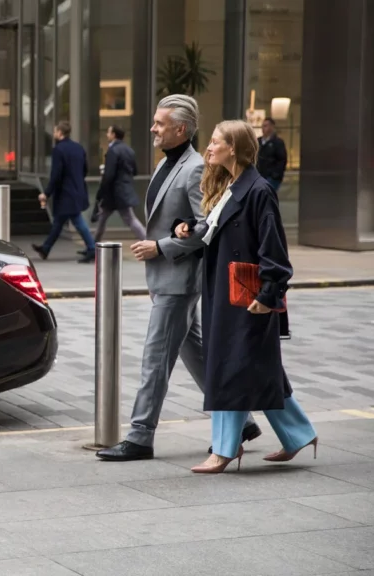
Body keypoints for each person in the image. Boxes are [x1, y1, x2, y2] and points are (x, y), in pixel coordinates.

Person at [96, 95, 260, 463]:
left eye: (159, 123)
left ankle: (139, 437)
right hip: (166, 278)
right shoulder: (165, 164)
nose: (153, 128)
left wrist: (162, 247)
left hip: (179, 280)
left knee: (154, 359)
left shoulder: (194, 169)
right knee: (199, 355)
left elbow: (207, 227)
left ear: (180, 129)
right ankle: (243, 421)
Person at [174, 119, 315, 473]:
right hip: (226, 293)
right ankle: (299, 434)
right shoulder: (232, 186)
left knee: (229, 368)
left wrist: (268, 294)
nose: (208, 148)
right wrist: (191, 226)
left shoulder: (258, 190)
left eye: (216, 142)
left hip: (247, 298)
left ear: (233, 148)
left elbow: (275, 251)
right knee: (257, 369)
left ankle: (224, 449)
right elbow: (217, 229)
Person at [31, 121, 96, 264]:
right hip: (77, 189)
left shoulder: (59, 150)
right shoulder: (78, 147)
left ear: (60, 133)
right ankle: (46, 248)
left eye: (55, 131)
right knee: (59, 222)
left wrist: (46, 193)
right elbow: (85, 169)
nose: (54, 134)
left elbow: (56, 175)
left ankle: (92, 249)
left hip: (66, 193)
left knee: (78, 221)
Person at [91, 125, 147, 245]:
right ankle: (92, 247)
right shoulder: (129, 150)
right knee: (103, 218)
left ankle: (149, 242)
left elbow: (109, 175)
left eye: (108, 132)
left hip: (114, 193)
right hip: (123, 191)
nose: (107, 134)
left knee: (129, 220)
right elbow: (135, 171)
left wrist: (101, 192)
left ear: (113, 135)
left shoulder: (113, 151)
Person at [256, 117, 287, 193]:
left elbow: (282, 160)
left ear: (272, 127)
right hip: (259, 176)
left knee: (267, 196)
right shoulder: (258, 141)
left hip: (271, 178)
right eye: (263, 126)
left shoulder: (278, 142)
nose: (263, 128)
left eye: (266, 126)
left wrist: (275, 175)